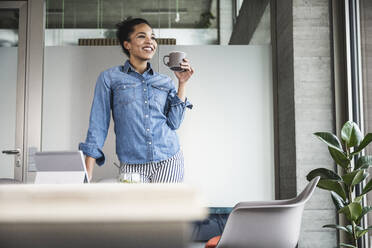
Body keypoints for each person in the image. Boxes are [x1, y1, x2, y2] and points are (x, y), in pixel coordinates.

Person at [79, 17, 194, 183]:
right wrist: (88, 168)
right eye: (142, 36)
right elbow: (98, 124)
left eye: (153, 37)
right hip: (132, 164)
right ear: (127, 44)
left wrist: (182, 83)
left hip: (169, 158)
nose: (150, 41)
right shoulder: (110, 78)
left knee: (164, 210)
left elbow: (174, 123)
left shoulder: (165, 81)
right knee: (136, 209)